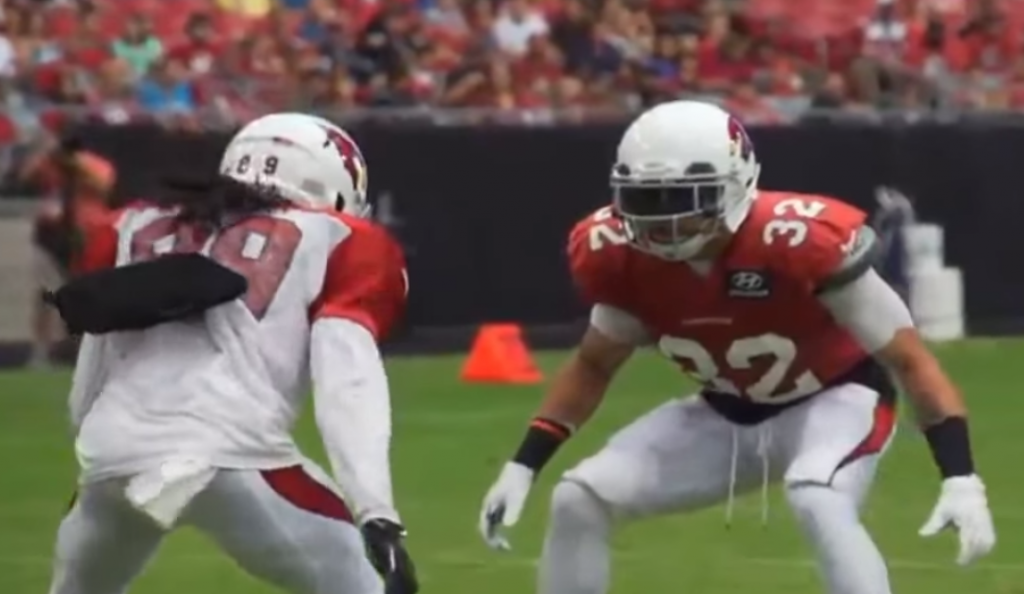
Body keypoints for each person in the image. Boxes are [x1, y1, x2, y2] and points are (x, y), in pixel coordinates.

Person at [478, 100, 995, 594]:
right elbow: (594, 364)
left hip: (836, 399)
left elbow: (908, 359)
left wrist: (961, 476)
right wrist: (524, 464)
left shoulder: (798, 240)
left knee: (817, 497)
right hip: (726, 410)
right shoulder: (621, 257)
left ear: (734, 184)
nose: (663, 222)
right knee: (578, 498)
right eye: (646, 200)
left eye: (682, 199)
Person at [48, 113, 418, 594]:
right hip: (226, 454)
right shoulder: (336, 237)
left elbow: (98, 348)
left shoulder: (133, 223)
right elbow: (347, 374)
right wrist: (376, 511)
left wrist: (95, 448)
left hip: (111, 453)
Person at [21, 134, 115, 368]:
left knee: (82, 293)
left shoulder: (94, 165)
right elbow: (26, 178)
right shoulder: (50, 164)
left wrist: (75, 166)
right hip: (50, 235)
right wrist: (45, 154)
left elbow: (104, 187)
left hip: (83, 237)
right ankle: (41, 353)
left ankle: (83, 350)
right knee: (46, 294)